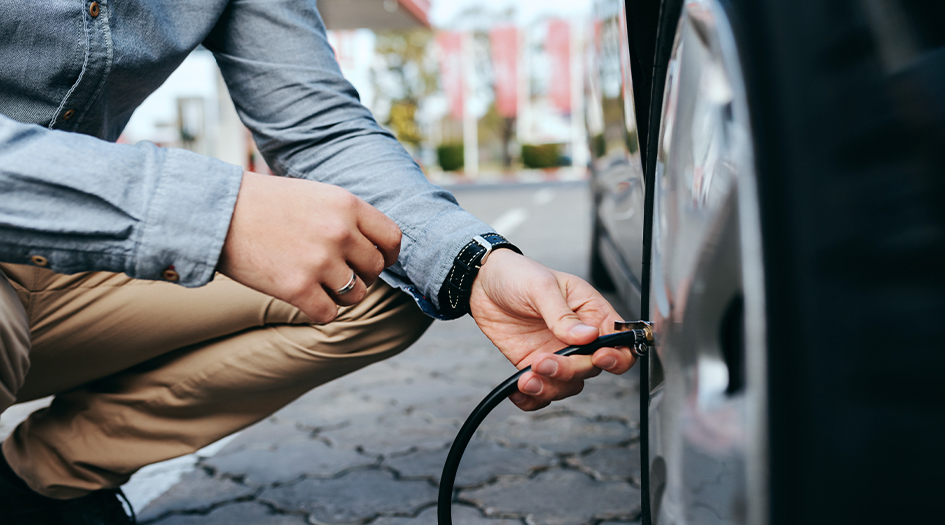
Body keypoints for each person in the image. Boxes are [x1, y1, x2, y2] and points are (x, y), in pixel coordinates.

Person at [0, 1, 637, 523]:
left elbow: (320, 126)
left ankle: (41, 483)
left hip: (64, 262)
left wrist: (479, 267)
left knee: (380, 270)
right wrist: (213, 214)